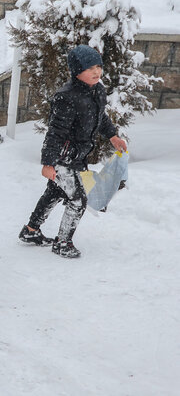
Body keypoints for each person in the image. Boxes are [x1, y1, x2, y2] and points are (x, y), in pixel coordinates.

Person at [18, 45, 128, 258]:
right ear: (76, 71)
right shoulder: (66, 97)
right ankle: (62, 243)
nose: (96, 72)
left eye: (98, 66)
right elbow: (55, 132)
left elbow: (100, 117)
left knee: (55, 191)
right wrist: (48, 163)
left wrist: (112, 135)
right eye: (89, 68)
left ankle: (30, 232)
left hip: (78, 155)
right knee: (78, 200)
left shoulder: (97, 89)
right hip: (62, 157)